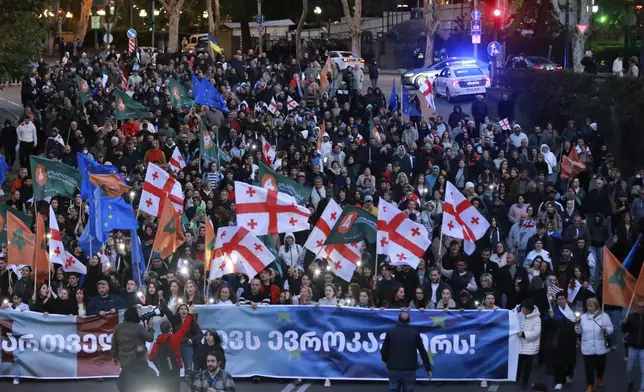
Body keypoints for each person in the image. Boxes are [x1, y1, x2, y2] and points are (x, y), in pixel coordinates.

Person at [149, 304, 197, 392]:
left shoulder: (157, 343)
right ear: (171, 329)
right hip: (174, 371)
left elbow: (151, 357)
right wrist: (189, 314)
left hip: (163, 372)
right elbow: (184, 328)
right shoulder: (175, 338)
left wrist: (160, 366)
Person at [380, 312, 432, 391]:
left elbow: (384, 350)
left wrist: (385, 361)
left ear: (398, 320)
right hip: (410, 369)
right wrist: (428, 368)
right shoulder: (414, 333)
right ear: (409, 320)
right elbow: (422, 352)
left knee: (393, 388)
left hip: (393, 368)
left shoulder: (391, 332)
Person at [575, 298, 613, 392]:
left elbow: (611, 328)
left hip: (601, 346)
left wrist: (606, 330)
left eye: (591, 305)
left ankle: (599, 377)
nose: (589, 307)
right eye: (588, 305)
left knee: (601, 366)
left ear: (596, 306)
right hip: (587, 347)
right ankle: (590, 385)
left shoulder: (604, 316)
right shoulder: (583, 317)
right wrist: (577, 325)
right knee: (589, 368)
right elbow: (578, 332)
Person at [547, 292, 577, 390]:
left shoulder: (571, 309)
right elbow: (546, 324)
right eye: (559, 299)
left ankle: (569, 374)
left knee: (570, 361)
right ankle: (559, 381)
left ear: (566, 299)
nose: (561, 300)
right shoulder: (553, 310)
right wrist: (550, 318)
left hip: (570, 338)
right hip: (558, 339)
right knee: (558, 361)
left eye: (562, 298)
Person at [111, 307, 156, 371]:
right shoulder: (138, 327)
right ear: (135, 315)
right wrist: (150, 328)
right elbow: (150, 338)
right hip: (138, 361)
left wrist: (114, 356)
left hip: (124, 362)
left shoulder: (118, 327)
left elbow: (114, 344)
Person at [515, 299, 541, 389]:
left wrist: (524, 334)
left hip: (530, 346)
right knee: (518, 363)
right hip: (519, 345)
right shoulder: (518, 315)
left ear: (529, 309)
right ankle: (517, 378)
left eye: (525, 308)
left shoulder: (537, 318)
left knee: (527, 366)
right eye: (523, 307)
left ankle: (525, 382)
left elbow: (537, 333)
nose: (523, 309)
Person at [623, 301, 644, 391]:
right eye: (639, 306)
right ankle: (630, 381)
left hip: (643, 348)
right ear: (636, 307)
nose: (641, 308)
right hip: (632, 347)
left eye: (643, 307)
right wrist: (624, 323)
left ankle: (642, 389)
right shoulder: (631, 317)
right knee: (630, 369)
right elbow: (624, 330)